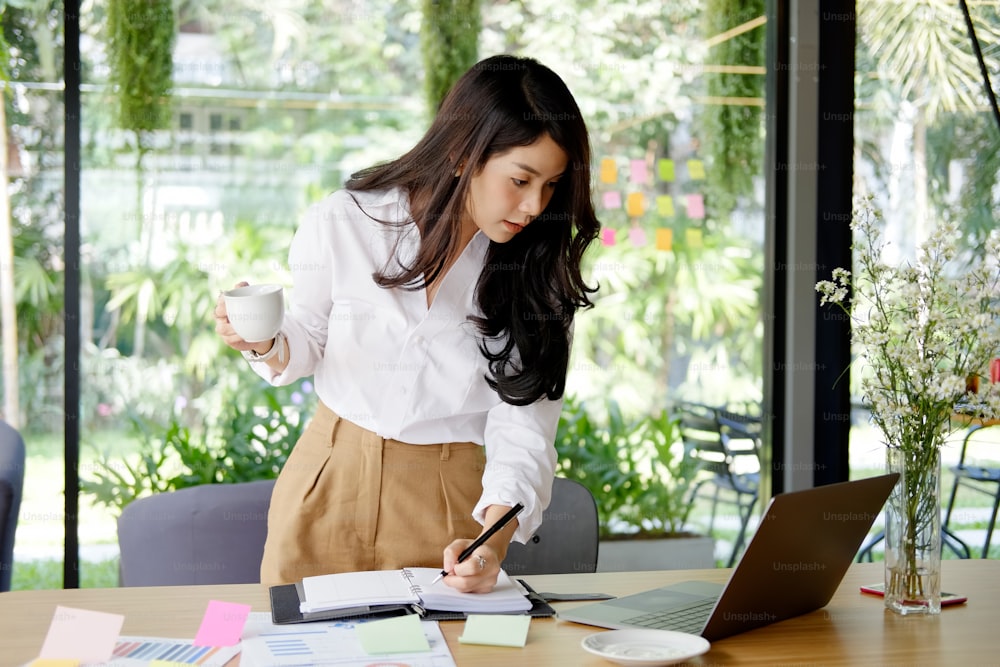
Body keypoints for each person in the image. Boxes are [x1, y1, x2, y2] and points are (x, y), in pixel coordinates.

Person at [214, 53, 599, 593]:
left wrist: (492, 537)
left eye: (552, 185)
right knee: (297, 648)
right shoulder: (347, 220)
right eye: (520, 179)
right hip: (327, 476)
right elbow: (308, 341)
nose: (535, 205)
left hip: (448, 503)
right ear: (465, 154)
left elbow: (525, 428)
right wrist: (265, 341)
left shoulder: (539, 278)